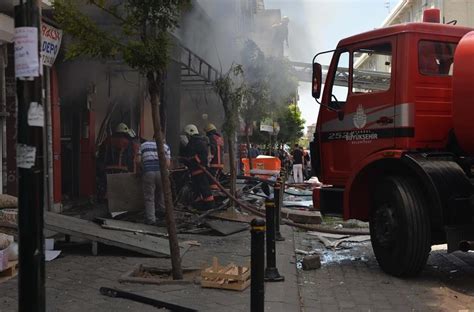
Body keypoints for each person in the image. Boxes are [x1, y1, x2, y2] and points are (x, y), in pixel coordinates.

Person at [97, 123, 139, 202]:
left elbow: (101, 156)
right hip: (126, 171)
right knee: (123, 194)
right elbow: (135, 159)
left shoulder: (107, 141)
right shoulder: (132, 143)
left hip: (108, 171)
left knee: (108, 192)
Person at [136, 136, 170, 225]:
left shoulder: (143, 145)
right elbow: (167, 163)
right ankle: (163, 216)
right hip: (161, 173)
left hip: (148, 172)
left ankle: (151, 219)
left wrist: (142, 169)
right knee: (162, 194)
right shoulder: (165, 147)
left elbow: (138, 161)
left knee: (149, 197)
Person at [180, 124, 215, 210]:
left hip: (198, 170)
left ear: (190, 134)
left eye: (187, 135)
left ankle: (209, 206)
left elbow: (192, 158)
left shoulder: (193, 143)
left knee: (204, 189)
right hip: (201, 170)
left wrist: (184, 160)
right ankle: (201, 206)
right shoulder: (201, 141)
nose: (187, 137)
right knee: (199, 189)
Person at [204, 123, 224, 190]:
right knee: (216, 181)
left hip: (214, 163)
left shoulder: (211, 137)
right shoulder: (219, 138)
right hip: (220, 163)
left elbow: (213, 149)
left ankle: (213, 198)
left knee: (212, 183)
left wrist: (209, 159)